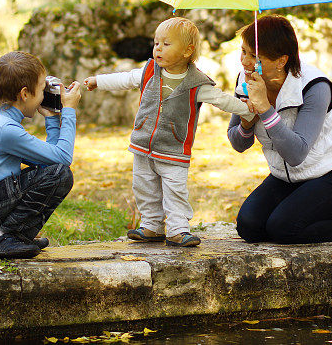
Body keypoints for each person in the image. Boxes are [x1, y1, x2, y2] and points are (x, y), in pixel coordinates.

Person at [84, 17, 255, 247]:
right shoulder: (149, 72)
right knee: (144, 186)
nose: (158, 48)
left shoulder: (197, 83)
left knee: (175, 190)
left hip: (174, 149)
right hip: (143, 144)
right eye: (156, 43)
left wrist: (248, 111)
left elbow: (221, 100)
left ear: (187, 50)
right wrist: (98, 81)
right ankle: (152, 225)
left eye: (166, 44)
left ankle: (178, 229)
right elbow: (124, 79)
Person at [228, 15, 332, 245]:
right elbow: (238, 143)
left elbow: (297, 154)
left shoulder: (314, 86)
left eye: (254, 56)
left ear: (281, 60)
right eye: (243, 52)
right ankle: (296, 215)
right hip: (287, 178)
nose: (245, 62)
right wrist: (247, 122)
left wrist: (266, 110)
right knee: (249, 227)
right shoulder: (247, 82)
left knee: (283, 228)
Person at [0, 51, 82, 259]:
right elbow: (63, 158)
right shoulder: (6, 131)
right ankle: (0, 238)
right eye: (41, 90)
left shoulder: (4, 125)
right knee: (61, 174)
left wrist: (50, 118)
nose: (43, 96)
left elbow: (50, 162)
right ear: (25, 94)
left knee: (54, 172)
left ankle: (14, 235)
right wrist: (69, 111)